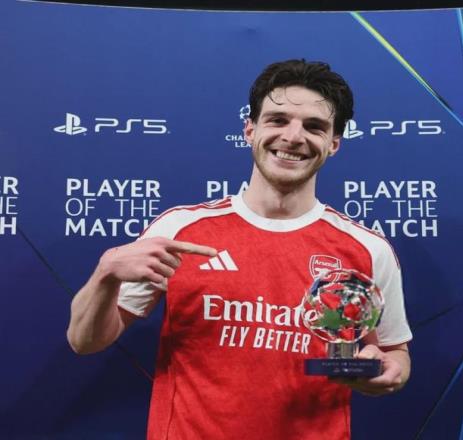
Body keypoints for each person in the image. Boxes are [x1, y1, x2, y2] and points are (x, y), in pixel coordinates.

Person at [67, 59, 412, 440]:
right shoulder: (179, 230)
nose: (293, 137)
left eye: (314, 126)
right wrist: (106, 273)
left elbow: (396, 354)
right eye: (278, 120)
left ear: (333, 144)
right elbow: (84, 341)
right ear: (250, 130)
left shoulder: (368, 249)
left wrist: (386, 371)